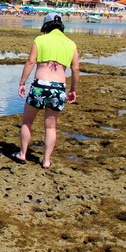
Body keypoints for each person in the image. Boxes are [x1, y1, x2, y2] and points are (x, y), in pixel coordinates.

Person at [13, 12, 80, 169]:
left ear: (45, 25)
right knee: (50, 126)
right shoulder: (71, 44)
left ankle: (22, 154)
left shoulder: (40, 40)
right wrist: (73, 90)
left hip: (40, 85)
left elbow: (31, 61)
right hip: (58, 88)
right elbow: (75, 69)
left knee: (27, 122)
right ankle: (46, 161)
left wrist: (22, 82)